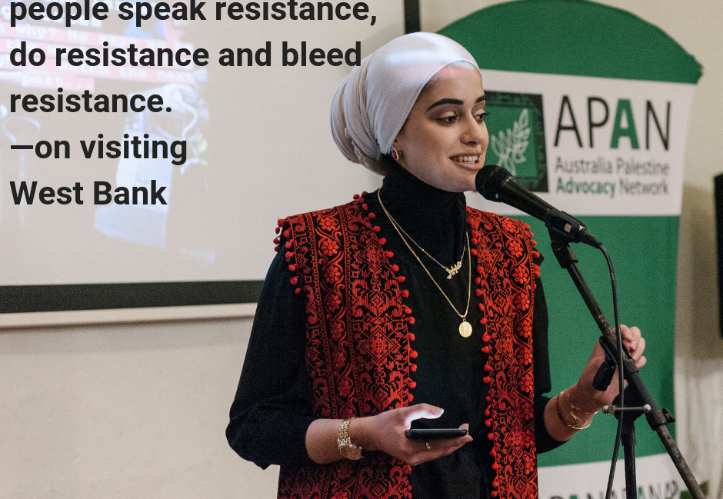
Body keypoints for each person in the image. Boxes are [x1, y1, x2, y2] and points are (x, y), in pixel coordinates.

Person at [226, 32, 647, 499]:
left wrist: (584, 398)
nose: (475, 133)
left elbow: (520, 432)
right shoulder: (315, 249)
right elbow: (252, 426)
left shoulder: (512, 250)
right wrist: (365, 434)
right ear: (394, 136)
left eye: (480, 114)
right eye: (448, 117)